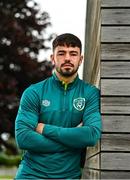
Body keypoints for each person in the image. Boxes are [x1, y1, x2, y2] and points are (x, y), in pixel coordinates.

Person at [15, 33, 102, 179]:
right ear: (52, 58)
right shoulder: (34, 92)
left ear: (80, 59)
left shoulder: (90, 94)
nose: (67, 58)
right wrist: (74, 139)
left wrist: (44, 128)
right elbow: (23, 138)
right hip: (30, 175)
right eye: (61, 53)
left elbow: (91, 135)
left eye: (73, 54)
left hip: (68, 176)